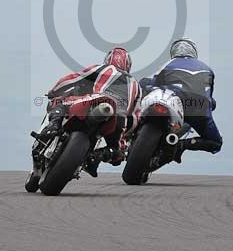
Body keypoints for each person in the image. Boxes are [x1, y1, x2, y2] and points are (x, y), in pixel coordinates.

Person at [36, 47, 140, 177]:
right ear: (128, 65)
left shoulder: (103, 68)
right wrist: (125, 136)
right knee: (117, 152)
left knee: (58, 102)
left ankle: (53, 126)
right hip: (119, 117)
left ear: (108, 59)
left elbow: (73, 78)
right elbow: (136, 117)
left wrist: (54, 91)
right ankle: (97, 156)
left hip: (97, 100)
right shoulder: (136, 84)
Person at [139, 38, 222, 162]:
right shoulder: (207, 69)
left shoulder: (169, 63)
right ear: (194, 51)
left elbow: (153, 82)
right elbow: (209, 97)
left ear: (174, 51)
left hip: (175, 101)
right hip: (199, 108)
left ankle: (135, 131)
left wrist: (144, 85)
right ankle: (182, 145)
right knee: (215, 143)